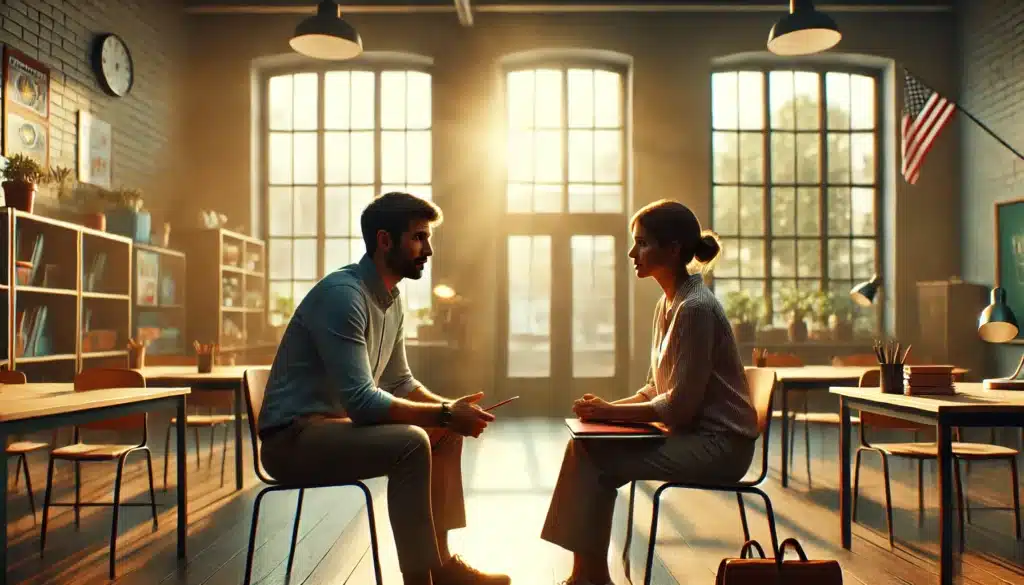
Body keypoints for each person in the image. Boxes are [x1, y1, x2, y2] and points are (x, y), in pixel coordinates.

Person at [258, 191, 511, 585]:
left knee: (443, 434)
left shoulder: (391, 301)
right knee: (412, 441)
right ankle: (420, 581)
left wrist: (450, 411)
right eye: (418, 238)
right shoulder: (344, 296)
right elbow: (361, 402)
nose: (427, 249)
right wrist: (445, 413)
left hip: (329, 429)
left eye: (427, 238)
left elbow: (399, 382)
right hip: (292, 440)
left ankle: (440, 567)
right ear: (384, 240)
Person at [539, 199, 759, 585]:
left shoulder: (696, 309)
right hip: (691, 436)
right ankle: (586, 577)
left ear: (673, 249)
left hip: (721, 447)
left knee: (595, 460)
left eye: (641, 243)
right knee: (585, 446)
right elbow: (653, 389)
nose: (631, 253)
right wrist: (601, 411)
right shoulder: (668, 303)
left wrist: (608, 413)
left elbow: (678, 409)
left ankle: (588, 579)